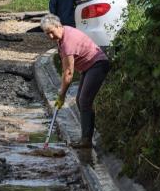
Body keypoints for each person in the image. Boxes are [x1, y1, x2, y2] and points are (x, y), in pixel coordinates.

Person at [40, 14, 109, 148]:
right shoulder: (63, 35)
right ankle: (86, 137)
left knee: (84, 100)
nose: (50, 37)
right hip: (88, 67)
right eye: (47, 34)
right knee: (80, 100)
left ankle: (86, 141)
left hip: (97, 64)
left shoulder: (67, 42)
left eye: (51, 32)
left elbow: (68, 73)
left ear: (58, 26)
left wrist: (62, 95)